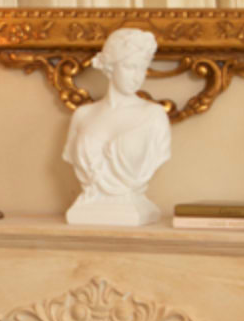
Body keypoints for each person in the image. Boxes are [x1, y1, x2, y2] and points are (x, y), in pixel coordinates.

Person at [64, 27, 173, 226]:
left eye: (143, 68)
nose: (137, 76)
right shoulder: (83, 115)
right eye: (131, 67)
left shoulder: (153, 116)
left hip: (131, 209)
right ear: (110, 68)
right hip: (86, 209)